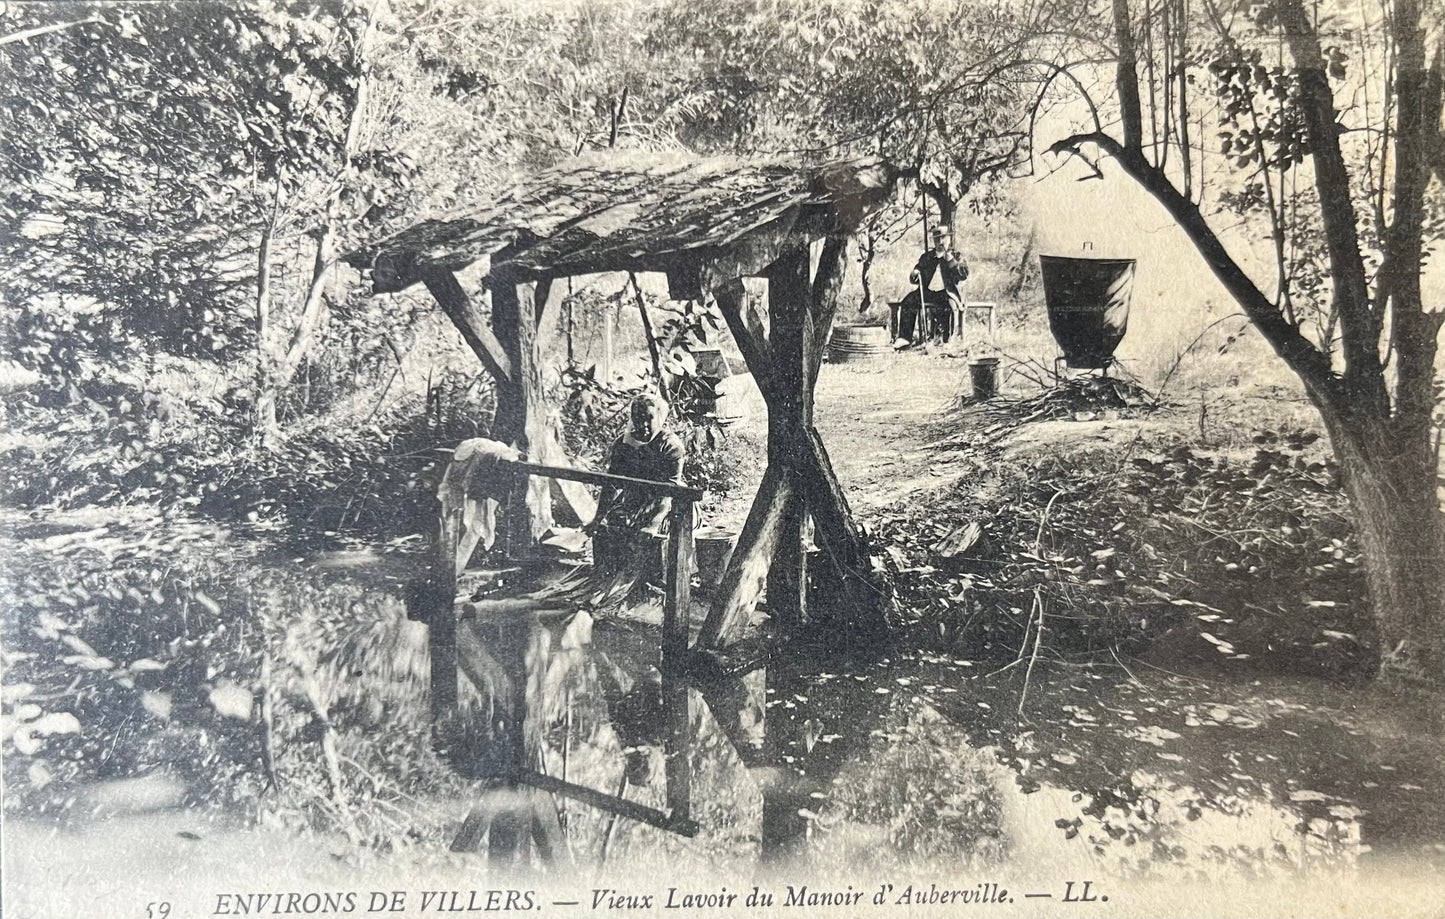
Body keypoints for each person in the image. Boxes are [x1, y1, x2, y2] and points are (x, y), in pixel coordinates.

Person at [587, 394, 686, 572]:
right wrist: (597, 518)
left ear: (660, 418)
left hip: (665, 504)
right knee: (608, 528)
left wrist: (653, 525)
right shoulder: (623, 445)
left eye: (650, 418)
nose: (644, 425)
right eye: (638, 418)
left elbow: (669, 491)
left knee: (649, 536)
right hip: (633, 500)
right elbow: (611, 484)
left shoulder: (670, 446)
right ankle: (609, 577)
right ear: (632, 418)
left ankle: (650, 581)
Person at [895, 227, 969, 346]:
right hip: (927, 291)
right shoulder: (927, 257)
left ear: (949, 239)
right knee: (908, 302)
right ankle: (905, 337)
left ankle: (945, 340)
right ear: (933, 241)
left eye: (943, 238)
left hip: (947, 292)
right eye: (937, 239)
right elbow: (918, 269)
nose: (940, 242)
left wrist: (951, 261)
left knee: (948, 307)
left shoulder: (957, 256)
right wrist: (915, 272)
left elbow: (963, 275)